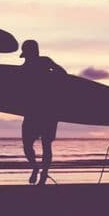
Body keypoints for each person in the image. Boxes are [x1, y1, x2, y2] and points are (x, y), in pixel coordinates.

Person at [19, 39, 66, 185]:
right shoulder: (22, 69)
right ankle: (35, 168)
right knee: (27, 145)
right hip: (33, 111)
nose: (26, 57)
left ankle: (44, 175)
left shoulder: (46, 62)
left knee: (46, 145)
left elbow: (63, 74)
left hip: (48, 111)